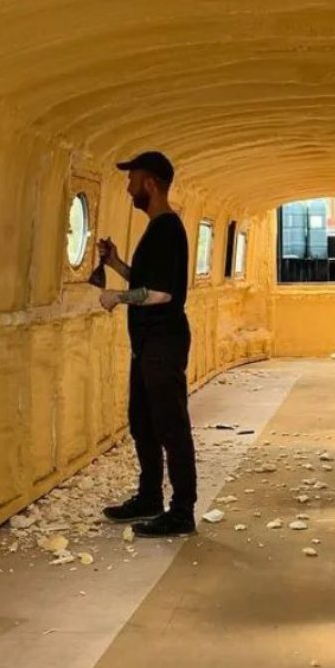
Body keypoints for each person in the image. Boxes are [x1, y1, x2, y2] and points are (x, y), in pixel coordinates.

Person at [97, 151, 198, 536]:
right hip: (147, 344)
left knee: (171, 426)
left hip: (163, 342)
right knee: (143, 422)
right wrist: (116, 264)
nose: (128, 188)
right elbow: (146, 281)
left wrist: (117, 297)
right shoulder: (156, 230)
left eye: (133, 180)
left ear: (151, 183)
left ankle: (182, 511)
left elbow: (162, 293)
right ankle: (150, 497)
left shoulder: (168, 229)